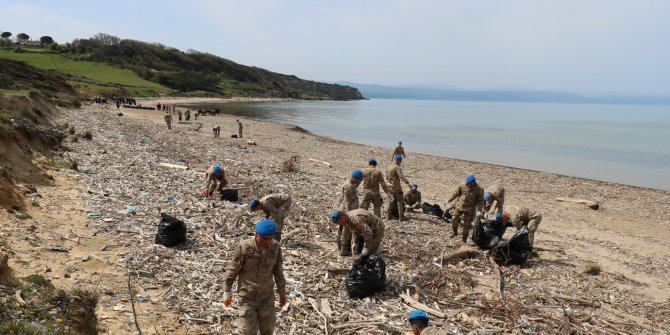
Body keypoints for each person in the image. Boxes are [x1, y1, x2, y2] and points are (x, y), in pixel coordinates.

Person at [223, 219, 286, 335]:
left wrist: (282, 293)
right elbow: (233, 269)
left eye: (270, 238)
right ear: (256, 234)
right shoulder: (244, 247)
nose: (268, 242)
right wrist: (227, 290)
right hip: (247, 297)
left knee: (267, 330)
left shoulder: (275, 247)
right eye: (264, 238)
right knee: (247, 331)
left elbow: (278, 271)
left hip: (266, 297)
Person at [444, 174, 485, 242]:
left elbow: (480, 200)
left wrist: (479, 210)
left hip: (470, 209)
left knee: (467, 225)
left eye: (470, 184)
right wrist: (448, 200)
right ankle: (455, 232)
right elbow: (456, 194)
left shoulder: (479, 189)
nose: (468, 185)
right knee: (454, 219)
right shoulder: (462, 185)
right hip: (459, 206)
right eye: (467, 183)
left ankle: (464, 240)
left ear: (474, 182)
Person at [337, 169, 364, 256]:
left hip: (346, 210)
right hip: (347, 211)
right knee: (346, 230)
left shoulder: (351, 184)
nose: (360, 181)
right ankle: (343, 250)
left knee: (342, 230)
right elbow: (346, 201)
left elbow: (353, 188)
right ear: (356, 179)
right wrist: (349, 214)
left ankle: (341, 247)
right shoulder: (348, 186)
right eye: (360, 179)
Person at [386, 154, 411, 221]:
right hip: (396, 188)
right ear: (400, 161)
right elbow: (402, 177)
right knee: (399, 201)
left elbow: (386, 177)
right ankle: (401, 217)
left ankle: (388, 216)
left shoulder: (388, 167)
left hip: (389, 187)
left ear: (394, 159)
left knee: (390, 201)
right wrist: (408, 183)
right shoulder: (397, 168)